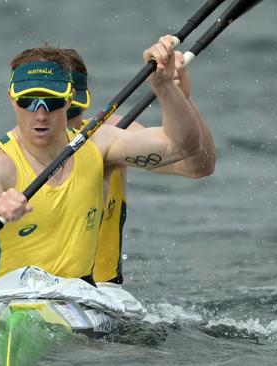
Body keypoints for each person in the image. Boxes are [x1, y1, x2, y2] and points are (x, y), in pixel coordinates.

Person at [0, 36, 204, 289]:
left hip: (79, 297)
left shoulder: (98, 144)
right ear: (12, 98)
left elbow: (184, 147)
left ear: (69, 99)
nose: (40, 114)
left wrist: (165, 88)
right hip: (8, 302)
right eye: (28, 100)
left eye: (52, 101)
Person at [61, 48, 215, 285]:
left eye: (71, 110)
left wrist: (179, 97)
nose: (58, 121)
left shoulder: (111, 133)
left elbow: (198, 166)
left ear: (82, 101)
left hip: (99, 289)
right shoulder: (6, 153)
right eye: (41, 105)